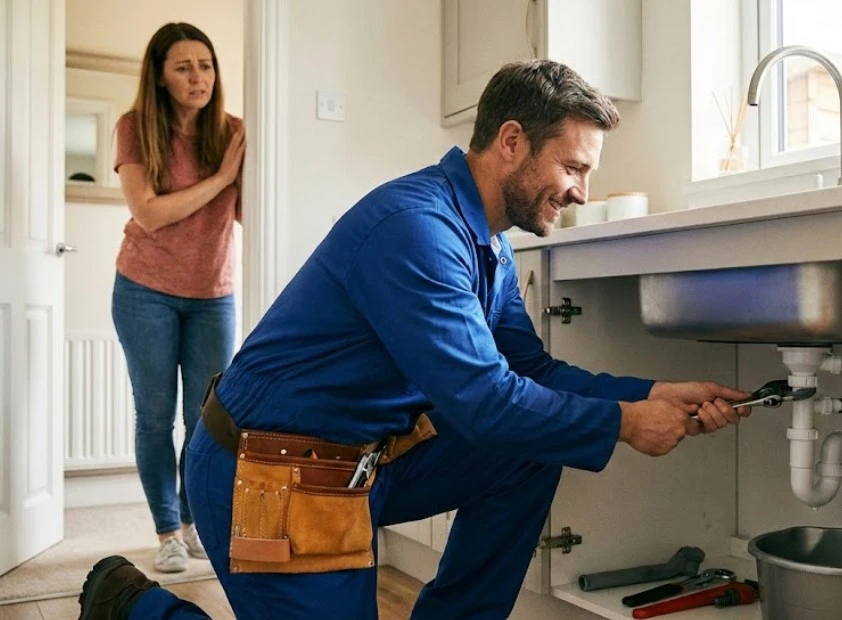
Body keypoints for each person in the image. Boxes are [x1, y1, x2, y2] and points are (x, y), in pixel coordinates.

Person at [78, 59, 751, 620]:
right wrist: (627, 422)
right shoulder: (416, 230)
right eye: (573, 168)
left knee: (529, 448)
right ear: (511, 141)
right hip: (270, 474)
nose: (579, 192)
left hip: (357, 465)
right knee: (524, 425)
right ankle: (133, 605)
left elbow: (529, 372)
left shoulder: (484, 242)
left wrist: (654, 392)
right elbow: (484, 401)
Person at [109, 22, 245, 575]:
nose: (198, 77)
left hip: (213, 294)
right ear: (160, 77)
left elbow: (249, 212)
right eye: (183, 67)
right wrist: (223, 178)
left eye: (206, 65)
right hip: (145, 291)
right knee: (155, 416)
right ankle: (167, 530)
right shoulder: (135, 127)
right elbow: (149, 211)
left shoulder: (233, 131)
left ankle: (195, 525)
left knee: (206, 419)